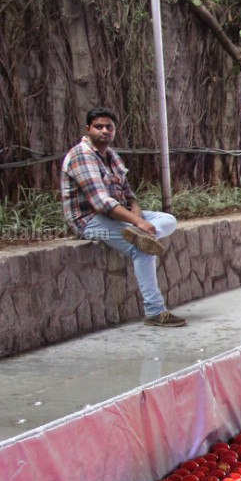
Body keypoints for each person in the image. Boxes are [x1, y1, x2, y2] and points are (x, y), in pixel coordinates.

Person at [60, 107, 185, 327]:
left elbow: (127, 192)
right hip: (89, 222)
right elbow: (101, 203)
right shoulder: (82, 156)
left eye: (109, 127)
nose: (104, 131)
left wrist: (136, 211)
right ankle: (155, 312)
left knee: (169, 220)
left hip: (120, 216)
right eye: (98, 127)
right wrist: (137, 221)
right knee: (142, 249)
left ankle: (143, 233)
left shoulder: (111, 156)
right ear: (88, 129)